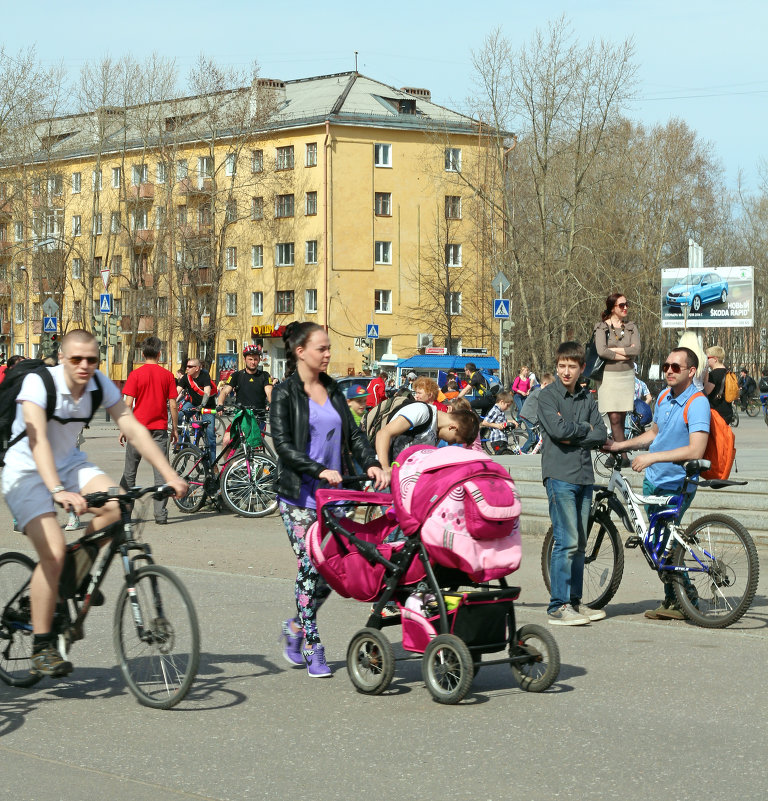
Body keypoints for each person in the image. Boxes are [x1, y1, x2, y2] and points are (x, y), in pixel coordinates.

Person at [0, 329, 187, 677]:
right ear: (62, 357)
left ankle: (73, 574)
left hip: (69, 463)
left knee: (118, 506)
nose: (84, 366)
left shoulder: (99, 383)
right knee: (53, 552)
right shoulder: (40, 384)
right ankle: (43, 645)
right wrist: (57, 490)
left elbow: (132, 426)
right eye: (76, 359)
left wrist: (170, 474)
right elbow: (38, 440)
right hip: (25, 469)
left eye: (91, 359)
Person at [270, 321, 386, 678]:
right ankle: (312, 645)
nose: (328, 353)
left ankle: (296, 627)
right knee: (310, 564)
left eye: (328, 347)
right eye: (321, 348)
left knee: (334, 573)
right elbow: (284, 445)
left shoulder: (334, 389)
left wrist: (373, 465)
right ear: (300, 351)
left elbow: (355, 435)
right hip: (300, 499)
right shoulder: (285, 393)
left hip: (337, 497)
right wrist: (317, 469)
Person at [605, 346, 709, 620]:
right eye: (666, 366)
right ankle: (674, 600)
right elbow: (653, 434)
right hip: (654, 481)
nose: (669, 371)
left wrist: (652, 459)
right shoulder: (663, 396)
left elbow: (696, 450)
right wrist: (620, 445)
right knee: (659, 543)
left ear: (691, 371)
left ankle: (686, 599)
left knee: (663, 543)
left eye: (676, 367)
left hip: (677, 483)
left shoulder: (697, 402)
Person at [538, 341, 608, 626]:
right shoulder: (547, 397)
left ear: (581, 368)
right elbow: (557, 431)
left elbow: (601, 434)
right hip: (559, 476)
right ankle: (558, 605)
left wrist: (580, 433)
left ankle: (575, 603)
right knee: (566, 542)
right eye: (561, 366)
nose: (566, 372)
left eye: (572, 367)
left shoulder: (587, 398)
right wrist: (584, 430)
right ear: (557, 366)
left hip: (583, 478)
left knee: (579, 544)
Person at [119, 336, 179, 525]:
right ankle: (160, 516)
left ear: (142, 353)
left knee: (129, 472)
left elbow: (127, 404)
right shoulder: (167, 375)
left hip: (137, 430)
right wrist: (175, 429)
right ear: (160, 353)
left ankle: (125, 514)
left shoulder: (135, 375)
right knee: (161, 472)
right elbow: (173, 405)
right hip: (159, 430)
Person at [375, 401, 479, 482]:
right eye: (454, 440)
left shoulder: (437, 432)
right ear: (452, 427)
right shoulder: (421, 412)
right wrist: (384, 467)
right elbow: (383, 434)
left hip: (402, 478)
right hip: (383, 470)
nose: (451, 443)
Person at [594, 292, 640, 451]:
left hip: (626, 376)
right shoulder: (602, 327)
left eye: (627, 304)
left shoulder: (631, 327)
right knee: (613, 417)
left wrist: (613, 350)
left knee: (621, 417)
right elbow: (601, 351)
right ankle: (623, 454)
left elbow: (637, 350)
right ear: (612, 308)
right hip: (608, 376)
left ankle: (615, 454)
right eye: (621, 305)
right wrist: (625, 353)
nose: (625, 307)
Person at [216, 344, 272, 448]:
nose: (253, 362)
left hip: (258, 417)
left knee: (255, 447)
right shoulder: (237, 375)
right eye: (250, 359)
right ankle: (228, 465)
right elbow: (224, 392)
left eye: (255, 359)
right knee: (226, 440)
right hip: (241, 416)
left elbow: (269, 393)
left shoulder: (264, 375)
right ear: (244, 359)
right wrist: (220, 404)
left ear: (259, 360)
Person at [177, 357, 216, 463]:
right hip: (193, 404)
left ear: (197, 368)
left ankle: (213, 463)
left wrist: (202, 405)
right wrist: (171, 402)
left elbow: (207, 392)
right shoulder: (186, 377)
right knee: (179, 414)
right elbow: (177, 391)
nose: (187, 369)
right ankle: (183, 442)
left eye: (190, 367)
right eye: (187, 366)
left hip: (207, 406)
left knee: (210, 435)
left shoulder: (205, 376)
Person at [519, 372, 554, 452]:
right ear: (545, 384)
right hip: (528, 417)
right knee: (532, 438)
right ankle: (522, 452)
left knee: (537, 436)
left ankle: (536, 451)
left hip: (532, 417)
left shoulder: (541, 391)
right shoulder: (539, 392)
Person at [702, 346, 733, 425]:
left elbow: (705, 392)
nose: (706, 360)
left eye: (708, 357)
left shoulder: (714, 374)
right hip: (727, 409)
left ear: (715, 359)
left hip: (717, 412)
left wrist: (705, 377)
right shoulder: (728, 372)